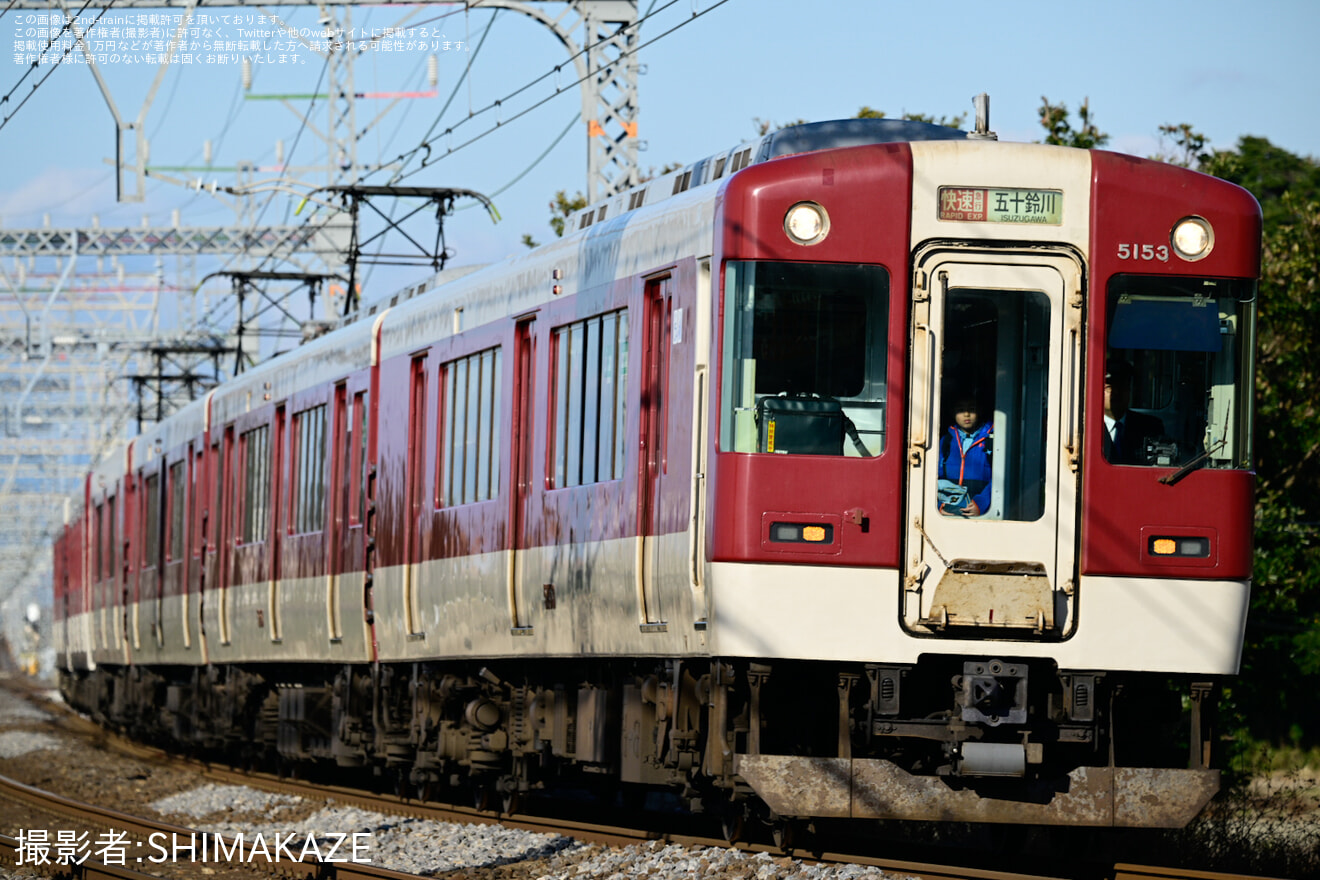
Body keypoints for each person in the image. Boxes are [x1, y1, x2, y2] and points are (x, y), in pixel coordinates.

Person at [1102, 358, 1165, 465]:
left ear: (1130, 390)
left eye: (1122, 387)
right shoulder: (1088, 429)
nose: (1116, 392)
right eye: (1108, 387)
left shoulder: (1151, 427)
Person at [938, 395, 992, 516]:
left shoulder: (991, 440)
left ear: (980, 411)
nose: (966, 414)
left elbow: (1001, 480)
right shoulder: (946, 441)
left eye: (972, 409)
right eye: (960, 410)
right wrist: (938, 505)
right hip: (948, 510)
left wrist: (982, 503)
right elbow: (934, 477)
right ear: (953, 413)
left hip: (984, 512)